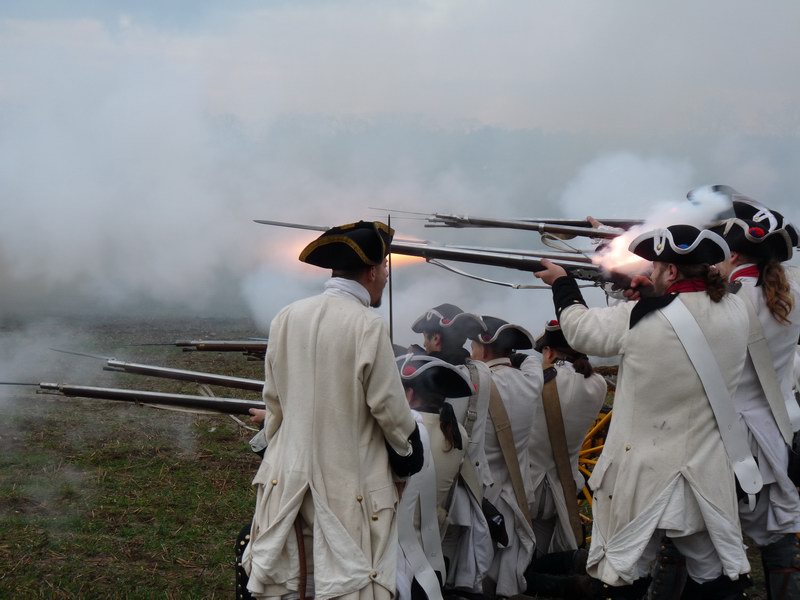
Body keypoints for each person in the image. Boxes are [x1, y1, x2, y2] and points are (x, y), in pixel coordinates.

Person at [534, 224, 754, 599]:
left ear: (671, 270)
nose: (650, 271)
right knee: (711, 572)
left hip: (641, 472)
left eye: (657, 267)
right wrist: (656, 294)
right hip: (706, 469)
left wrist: (562, 283)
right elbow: (687, 310)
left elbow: (580, 331)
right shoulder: (736, 310)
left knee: (624, 570)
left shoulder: (639, 316)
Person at [241, 220, 423, 600]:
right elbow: (390, 411)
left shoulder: (286, 317)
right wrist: (409, 454)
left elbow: (275, 403)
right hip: (349, 493)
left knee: (293, 584)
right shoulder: (368, 326)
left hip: (286, 484)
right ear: (371, 272)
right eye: (384, 268)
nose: (386, 276)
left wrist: (270, 440)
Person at [710, 196, 800, 598]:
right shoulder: (792, 294)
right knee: (777, 536)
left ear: (731, 253)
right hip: (775, 435)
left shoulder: (722, 302)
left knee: (695, 538)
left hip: (722, 438)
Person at [409, 304, 494, 596]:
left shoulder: (437, 378)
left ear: (436, 339)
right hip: (469, 484)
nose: (424, 344)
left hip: (434, 489)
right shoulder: (481, 371)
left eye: (426, 338)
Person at [523, 320, 607, 599]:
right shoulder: (597, 386)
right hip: (563, 489)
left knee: (517, 564)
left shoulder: (536, 379)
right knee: (546, 558)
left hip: (527, 488)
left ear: (548, 351)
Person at [468, 316, 541, 598]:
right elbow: (533, 361)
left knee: (477, 576)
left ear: (484, 349)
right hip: (518, 491)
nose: (471, 352)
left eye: (473, 346)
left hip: (484, 495)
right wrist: (518, 356)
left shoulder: (476, 386)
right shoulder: (531, 382)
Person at [394, 353, 472, 600]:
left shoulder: (398, 431)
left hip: (394, 557)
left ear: (408, 394)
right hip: (430, 553)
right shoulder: (459, 434)